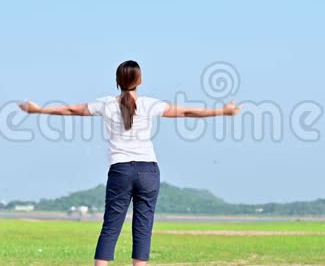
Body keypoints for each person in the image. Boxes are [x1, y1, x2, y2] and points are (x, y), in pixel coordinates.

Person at [18, 60, 242, 266]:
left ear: (117, 82)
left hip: (121, 170)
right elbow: (188, 112)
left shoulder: (105, 104)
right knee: (143, 226)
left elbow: (70, 110)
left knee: (111, 225)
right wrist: (224, 111)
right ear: (140, 80)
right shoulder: (149, 104)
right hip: (148, 171)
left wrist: (38, 110)